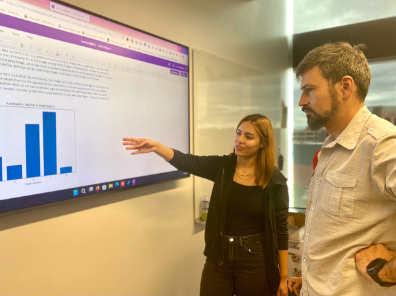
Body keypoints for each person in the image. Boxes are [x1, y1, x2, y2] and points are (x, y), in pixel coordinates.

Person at [123, 114, 289, 296]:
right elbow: (189, 162)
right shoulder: (223, 167)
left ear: (263, 143)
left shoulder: (274, 181)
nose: (240, 140)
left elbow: (281, 230)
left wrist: (283, 276)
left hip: (255, 260)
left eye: (248, 137)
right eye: (238, 133)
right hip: (218, 257)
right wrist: (157, 147)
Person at [287, 42, 396, 296]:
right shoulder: (330, 147)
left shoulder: (381, 144)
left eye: (309, 90)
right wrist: (313, 276)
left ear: (345, 87)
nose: (302, 101)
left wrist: (387, 272)